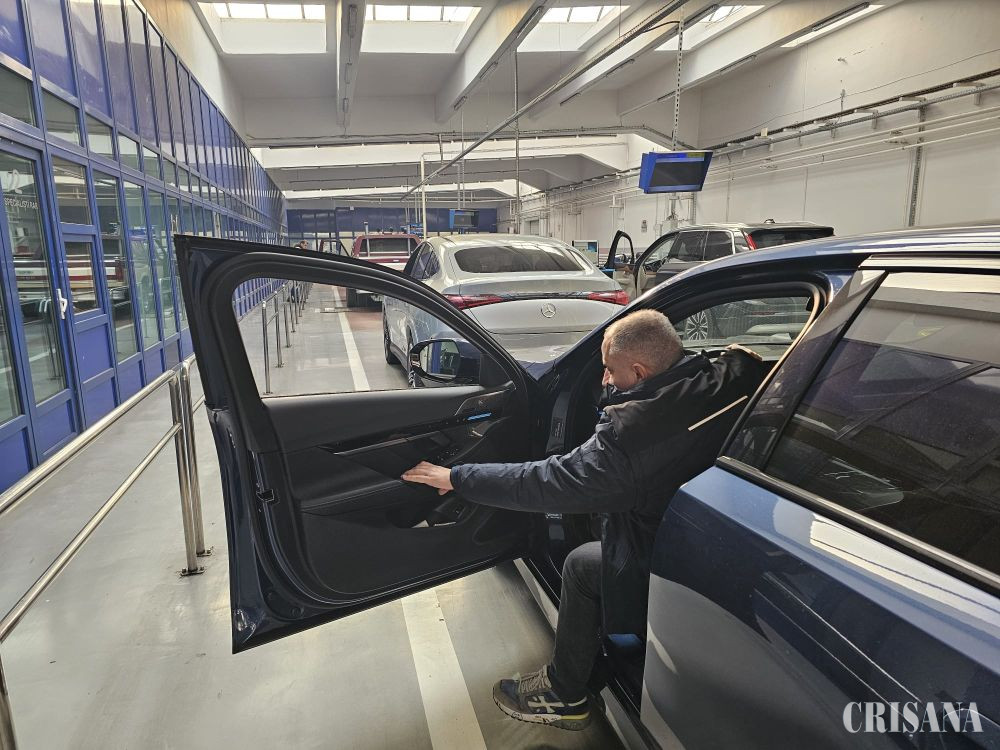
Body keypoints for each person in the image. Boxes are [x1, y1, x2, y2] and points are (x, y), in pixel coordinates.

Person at [402, 309, 769, 731]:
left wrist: (457, 478)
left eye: (610, 370)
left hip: (675, 562)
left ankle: (565, 694)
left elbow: (546, 482)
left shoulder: (631, 437)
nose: (604, 380)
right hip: (726, 540)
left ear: (639, 371)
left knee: (582, 564)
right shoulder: (733, 375)